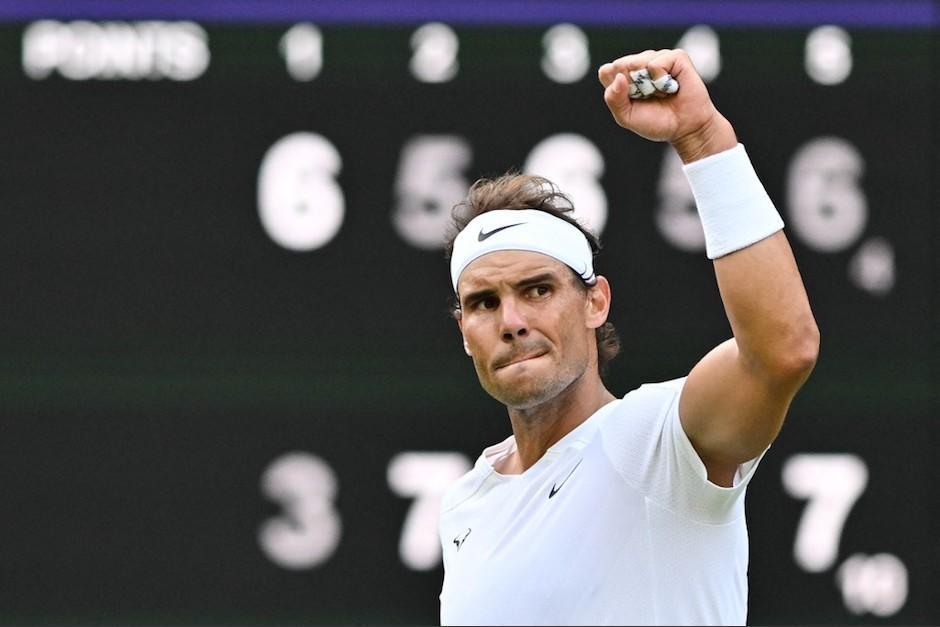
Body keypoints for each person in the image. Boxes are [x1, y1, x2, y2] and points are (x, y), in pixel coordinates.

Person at [436, 48, 820, 626]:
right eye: (484, 303)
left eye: (538, 290)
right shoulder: (467, 501)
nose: (511, 320)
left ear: (596, 301)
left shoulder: (657, 443)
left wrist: (703, 138)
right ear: (464, 331)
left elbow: (783, 351)